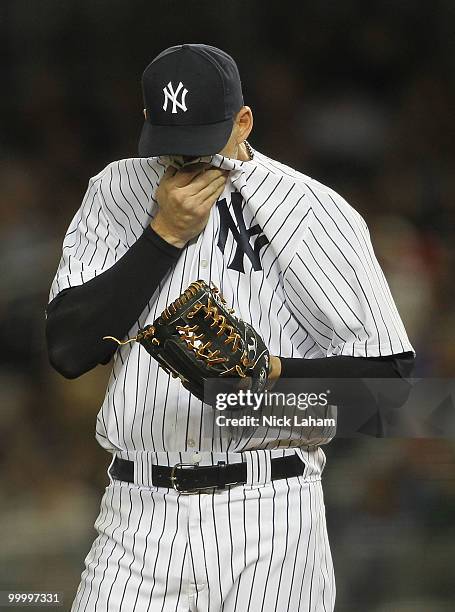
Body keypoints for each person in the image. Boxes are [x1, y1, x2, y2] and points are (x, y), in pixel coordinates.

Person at [46, 44, 415, 612]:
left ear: (243, 121)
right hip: (135, 518)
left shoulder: (311, 210)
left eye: (202, 142)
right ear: (148, 121)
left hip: (270, 517)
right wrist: (161, 237)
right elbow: (68, 350)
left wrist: (260, 384)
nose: (187, 161)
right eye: (172, 144)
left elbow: (384, 397)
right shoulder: (115, 191)